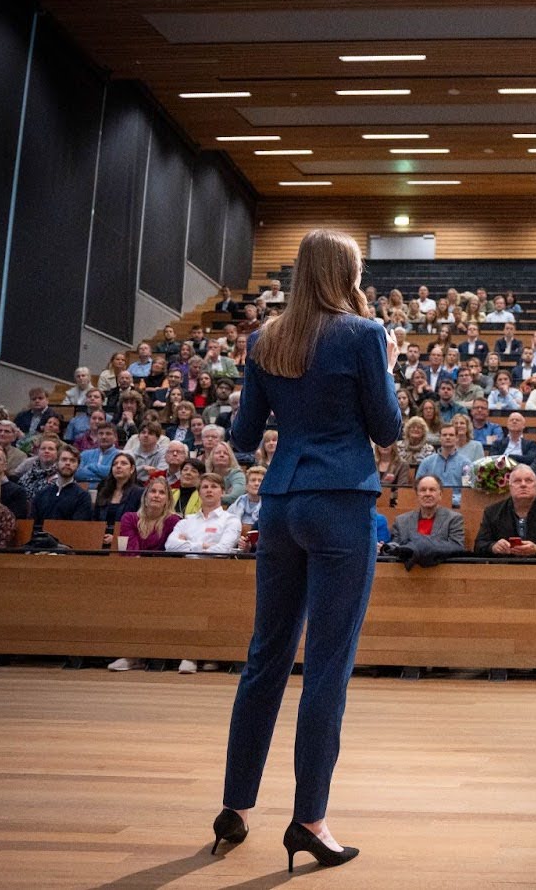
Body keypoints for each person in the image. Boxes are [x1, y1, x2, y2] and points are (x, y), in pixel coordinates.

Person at [219, 229, 403, 870]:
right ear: (346, 273)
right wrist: (387, 368)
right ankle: (310, 820)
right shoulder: (364, 334)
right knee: (326, 667)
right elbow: (388, 429)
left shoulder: (266, 339)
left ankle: (235, 808)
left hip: (280, 504)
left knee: (264, 658)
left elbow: (244, 437)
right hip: (340, 503)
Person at [474, 464, 536, 557]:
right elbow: (478, 546)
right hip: (504, 564)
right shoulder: (492, 512)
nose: (523, 485)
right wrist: (493, 547)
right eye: (517, 481)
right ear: (510, 486)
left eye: (528, 481)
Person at [383, 475, 467, 566]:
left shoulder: (453, 519)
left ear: (440, 494)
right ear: (417, 495)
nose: (427, 494)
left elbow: (457, 547)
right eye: (423, 490)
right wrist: (386, 547)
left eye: (432, 490)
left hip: (442, 569)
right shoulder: (401, 521)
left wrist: (421, 545)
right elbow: (396, 547)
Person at [32, 444, 97, 523]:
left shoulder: (82, 497)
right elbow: (33, 524)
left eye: (72, 460)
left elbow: (78, 526)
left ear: (78, 466)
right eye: (64, 459)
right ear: (56, 463)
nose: (68, 463)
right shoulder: (41, 494)